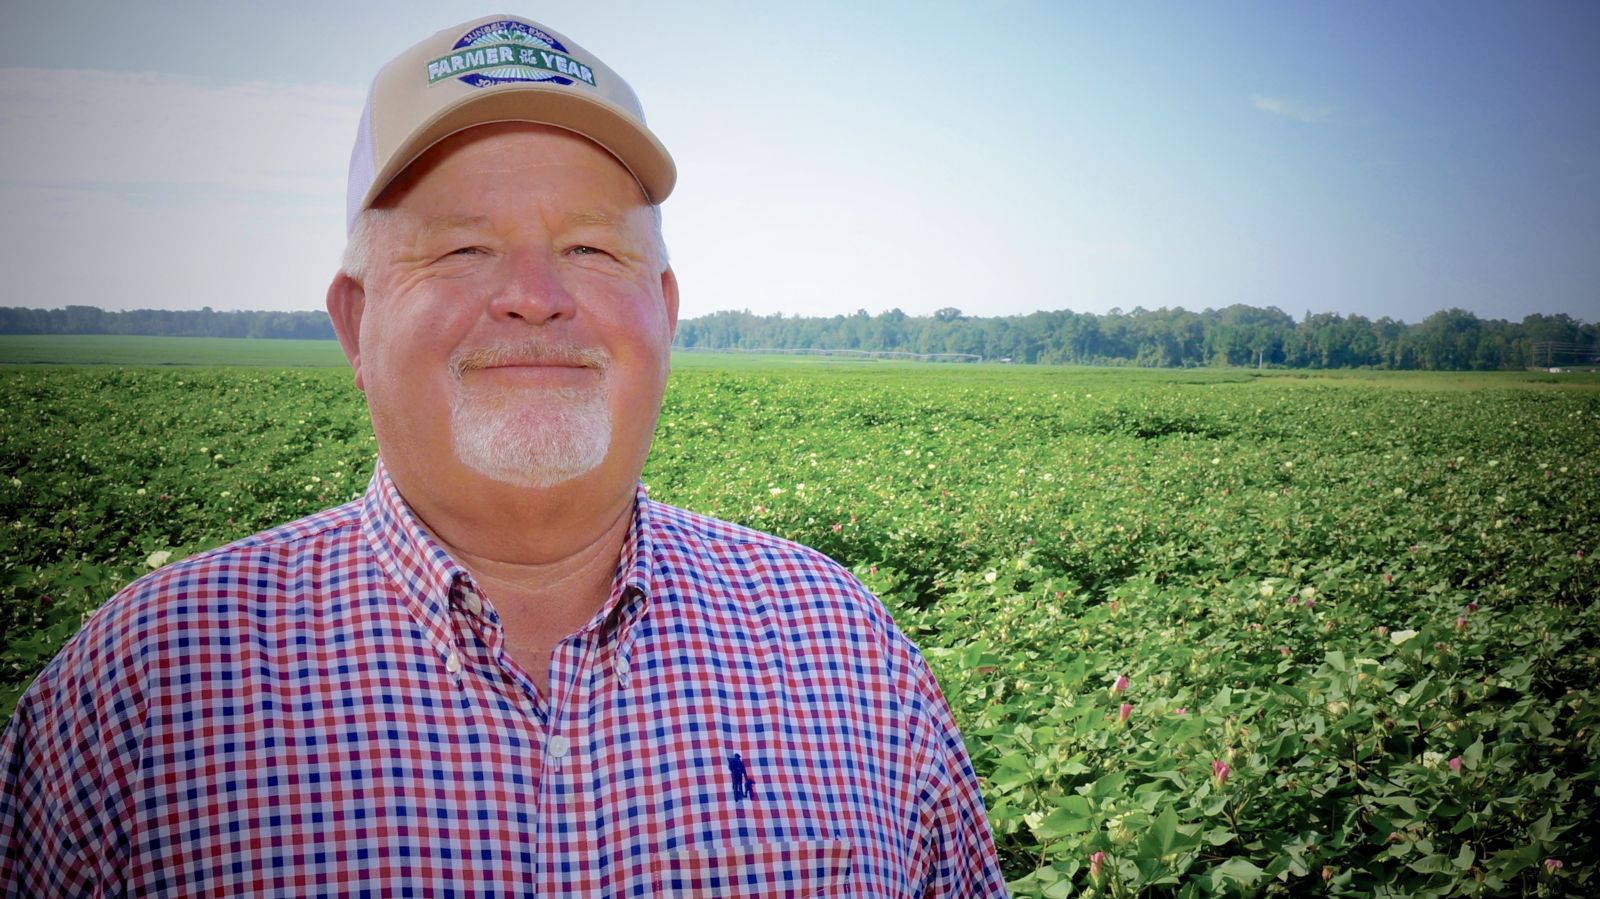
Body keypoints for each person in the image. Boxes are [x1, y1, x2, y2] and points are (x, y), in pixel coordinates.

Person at [0, 14, 1007, 897]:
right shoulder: (145, 690)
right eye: (461, 247)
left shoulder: (847, 652)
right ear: (355, 324)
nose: (533, 292)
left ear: (661, 311)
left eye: (591, 248)